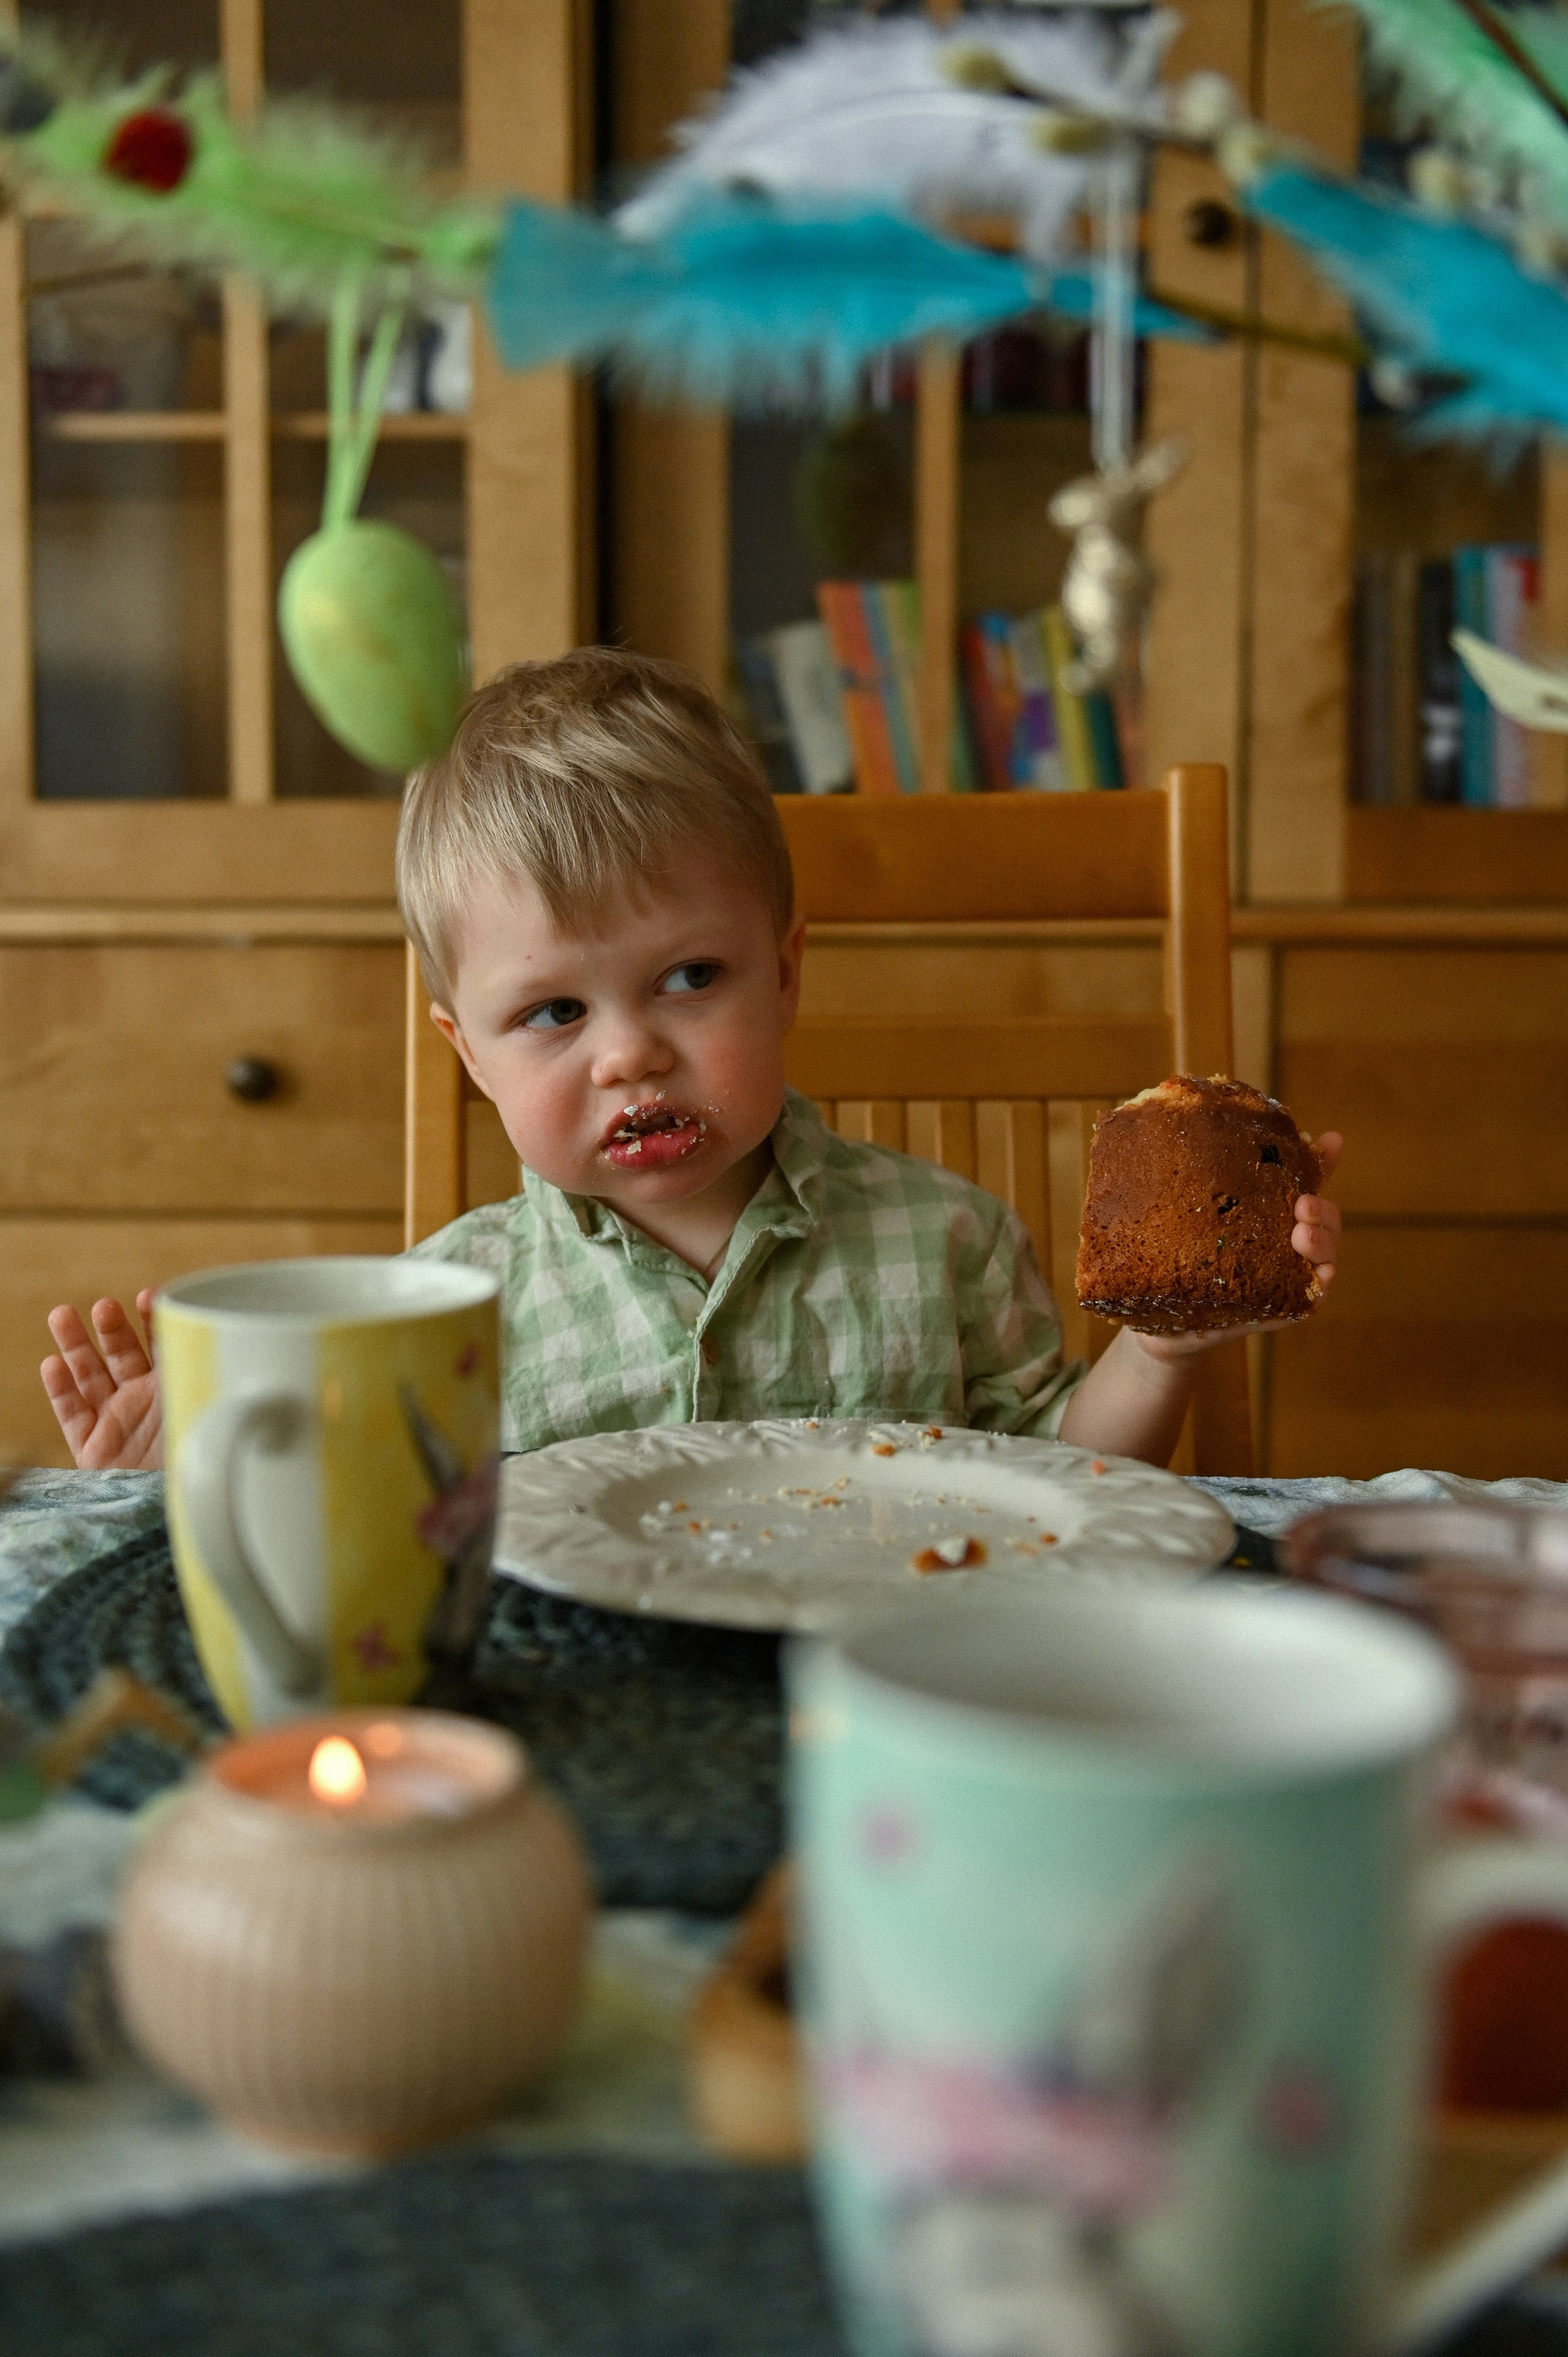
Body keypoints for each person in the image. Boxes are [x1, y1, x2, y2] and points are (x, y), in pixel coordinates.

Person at [39, 649, 1341, 1473]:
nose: (630, 1054)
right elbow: (377, 1553)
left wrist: (1166, 1348)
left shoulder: (950, 1244)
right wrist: (175, 1472)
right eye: (551, 1013)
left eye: (688, 979)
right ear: (467, 1056)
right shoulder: (433, 1310)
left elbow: (1068, 1485)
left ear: (781, 972)